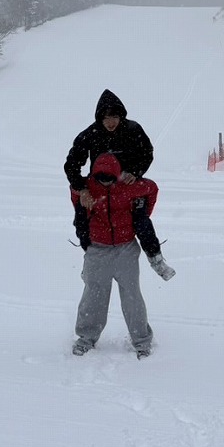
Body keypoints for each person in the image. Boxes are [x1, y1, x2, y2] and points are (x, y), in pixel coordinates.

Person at [70, 152, 169, 359]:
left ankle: (142, 341)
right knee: (93, 296)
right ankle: (86, 338)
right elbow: (74, 192)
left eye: (109, 177)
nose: (105, 181)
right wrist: (83, 193)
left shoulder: (129, 185)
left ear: (117, 174)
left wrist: (144, 212)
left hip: (126, 249)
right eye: (101, 177)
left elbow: (152, 189)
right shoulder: (88, 187)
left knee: (132, 296)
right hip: (97, 250)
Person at [65, 89, 172, 279]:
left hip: (128, 186)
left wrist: (136, 172)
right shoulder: (91, 134)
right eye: (106, 118)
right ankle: (89, 261)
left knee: (141, 221)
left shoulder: (133, 129)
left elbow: (147, 153)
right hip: (99, 186)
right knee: (82, 219)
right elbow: (72, 164)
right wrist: (82, 188)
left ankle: (156, 259)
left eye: (114, 116)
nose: (110, 122)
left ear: (121, 115)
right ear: (100, 118)